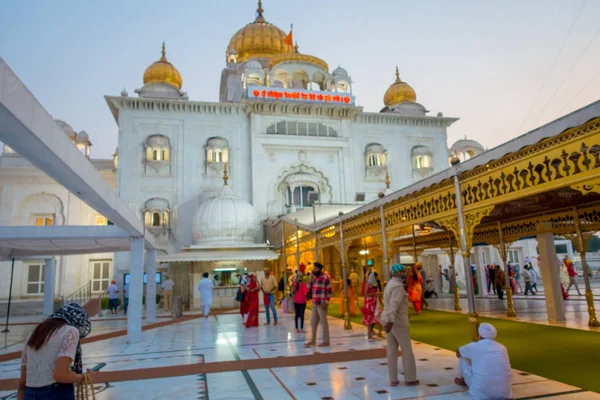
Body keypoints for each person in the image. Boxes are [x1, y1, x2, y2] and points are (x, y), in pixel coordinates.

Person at [18, 304, 92, 400]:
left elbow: (23, 381)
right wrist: (83, 377)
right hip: (55, 392)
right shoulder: (70, 331)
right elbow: (60, 375)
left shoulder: (35, 333)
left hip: (29, 393)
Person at [381, 264, 419, 387]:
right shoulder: (397, 286)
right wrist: (391, 321)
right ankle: (410, 378)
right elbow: (394, 304)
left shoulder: (390, 284)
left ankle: (393, 379)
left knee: (392, 351)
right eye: (401, 271)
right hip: (397, 322)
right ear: (395, 273)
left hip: (389, 321)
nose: (404, 273)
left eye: (404, 271)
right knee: (406, 350)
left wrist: (388, 321)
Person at [455, 323, 512, 400]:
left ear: (480, 335)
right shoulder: (502, 348)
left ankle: (463, 379)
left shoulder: (474, 346)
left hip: (482, 395)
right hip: (505, 393)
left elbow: (458, 353)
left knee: (463, 357)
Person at [305, 262, 332, 347]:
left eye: (315, 269)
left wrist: (326, 302)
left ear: (320, 269)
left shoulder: (325, 278)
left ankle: (326, 341)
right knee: (313, 322)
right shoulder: (314, 278)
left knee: (323, 323)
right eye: (314, 269)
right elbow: (308, 288)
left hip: (322, 304)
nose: (314, 270)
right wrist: (310, 279)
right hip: (314, 303)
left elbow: (329, 291)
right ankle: (313, 340)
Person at [361, 271, 379, 340]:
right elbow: (365, 294)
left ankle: (371, 333)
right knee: (369, 318)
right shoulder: (368, 283)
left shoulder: (374, 284)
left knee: (373, 317)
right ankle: (369, 334)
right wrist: (374, 294)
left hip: (374, 302)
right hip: (369, 302)